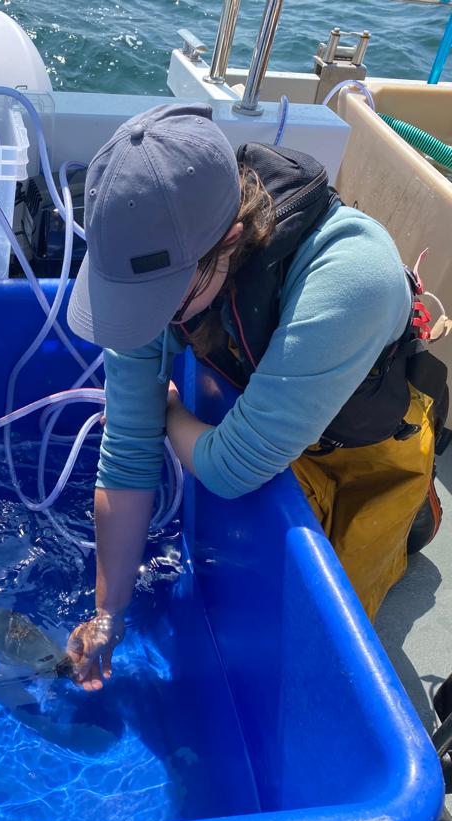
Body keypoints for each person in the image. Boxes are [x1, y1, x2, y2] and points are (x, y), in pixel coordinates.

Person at [64, 103, 448, 691]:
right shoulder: (160, 265)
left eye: (161, 300)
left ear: (231, 240)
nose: (145, 320)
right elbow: (126, 453)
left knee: (322, 652)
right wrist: (108, 614)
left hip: (364, 451)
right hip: (275, 428)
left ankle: (415, 511)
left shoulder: (351, 276)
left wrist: (167, 411)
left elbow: (230, 466)